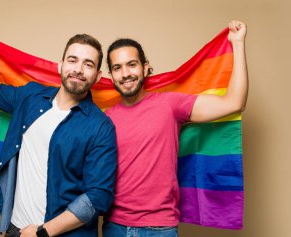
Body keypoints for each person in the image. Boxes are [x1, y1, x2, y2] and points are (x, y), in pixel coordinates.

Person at [0, 23, 117, 237]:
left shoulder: (101, 126)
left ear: (98, 75)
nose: (78, 69)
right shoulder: (30, 97)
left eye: (88, 64)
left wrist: (42, 232)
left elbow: (97, 197)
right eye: (72, 60)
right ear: (60, 65)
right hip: (15, 230)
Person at [102, 20, 248, 237]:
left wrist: (237, 43)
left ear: (145, 67)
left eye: (132, 64)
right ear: (111, 75)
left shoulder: (170, 104)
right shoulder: (105, 118)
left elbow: (234, 103)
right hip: (114, 227)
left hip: (160, 228)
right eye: (117, 68)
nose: (125, 73)